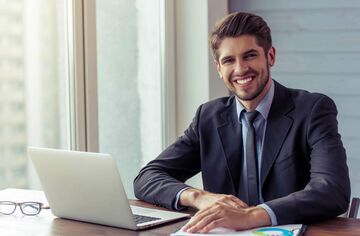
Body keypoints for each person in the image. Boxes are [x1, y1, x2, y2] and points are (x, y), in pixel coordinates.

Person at [133, 12, 350, 233]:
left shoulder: (312, 110)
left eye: (250, 56)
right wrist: (198, 197)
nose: (240, 69)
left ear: (270, 56)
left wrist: (253, 215)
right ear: (219, 68)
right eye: (229, 60)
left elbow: (332, 190)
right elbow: (147, 177)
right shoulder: (208, 117)